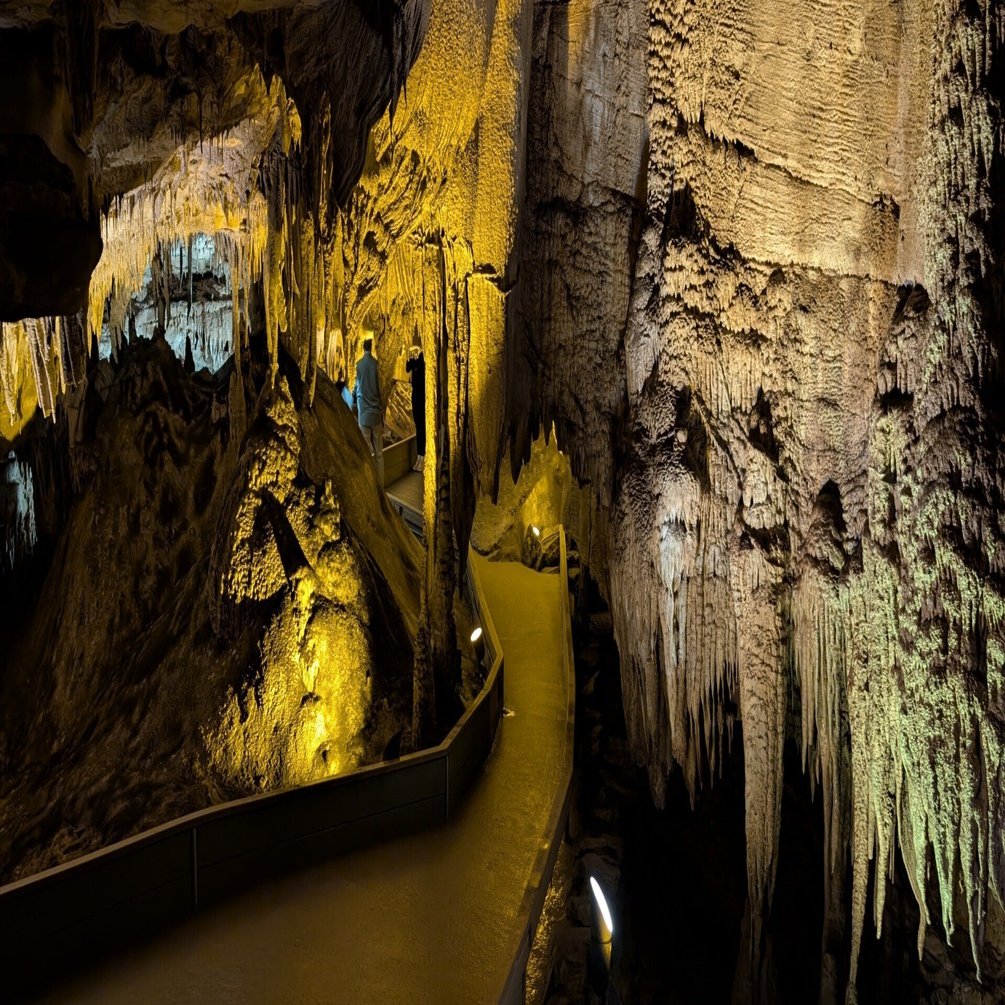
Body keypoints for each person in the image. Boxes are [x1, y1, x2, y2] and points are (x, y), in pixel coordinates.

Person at [353, 337, 384, 485]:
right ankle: (380, 484)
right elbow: (380, 389)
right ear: (371, 348)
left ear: (362, 347)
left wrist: (353, 398)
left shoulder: (358, 365)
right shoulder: (376, 365)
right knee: (378, 453)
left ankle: (367, 483)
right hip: (375, 414)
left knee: (366, 453)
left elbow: (356, 387)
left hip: (363, 414)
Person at [405, 340, 425, 471]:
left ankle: (423, 456)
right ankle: (419, 456)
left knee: (422, 428)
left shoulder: (424, 363)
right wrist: (409, 354)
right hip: (416, 399)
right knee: (418, 428)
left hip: (422, 400)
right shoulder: (416, 362)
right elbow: (407, 368)